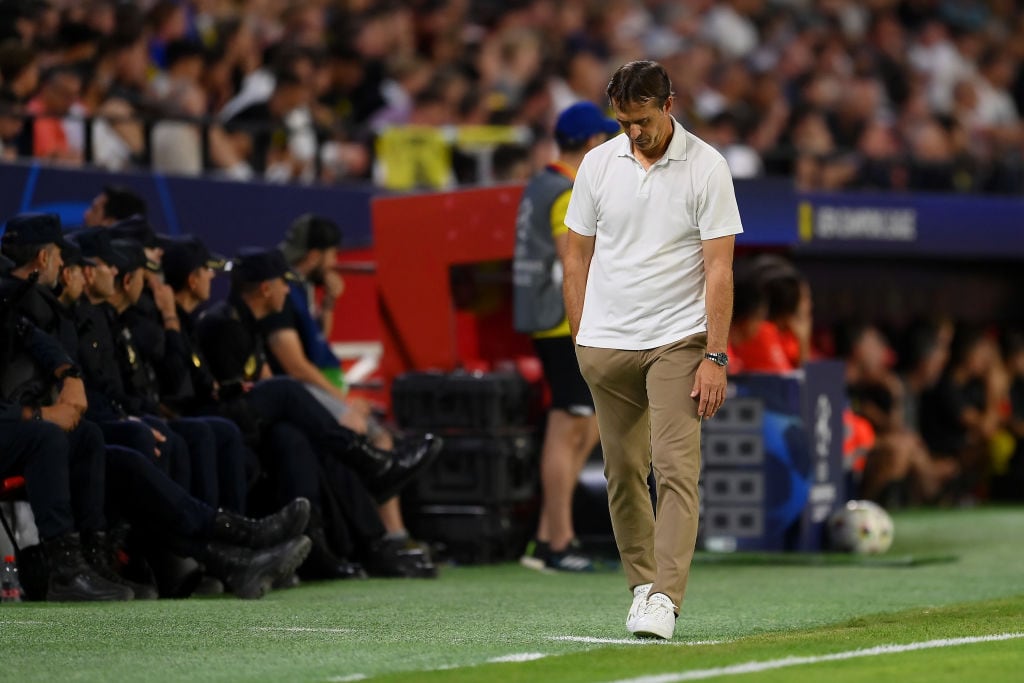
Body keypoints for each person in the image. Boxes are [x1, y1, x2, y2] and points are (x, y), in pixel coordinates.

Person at [563, 60, 743, 640]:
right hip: (606, 343)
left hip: (678, 339)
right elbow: (575, 257)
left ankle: (665, 596)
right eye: (623, 122)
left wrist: (715, 355)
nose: (633, 133)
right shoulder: (596, 163)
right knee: (621, 471)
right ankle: (642, 584)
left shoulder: (708, 167)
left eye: (641, 120)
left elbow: (720, 268)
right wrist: (580, 337)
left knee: (674, 469)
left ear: (669, 105)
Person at [512, 102, 617, 572]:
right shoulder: (566, 190)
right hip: (565, 319)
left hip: (552, 317)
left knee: (583, 425)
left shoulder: (542, 184)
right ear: (592, 142)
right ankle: (560, 543)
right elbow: (576, 257)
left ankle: (545, 538)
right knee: (567, 427)